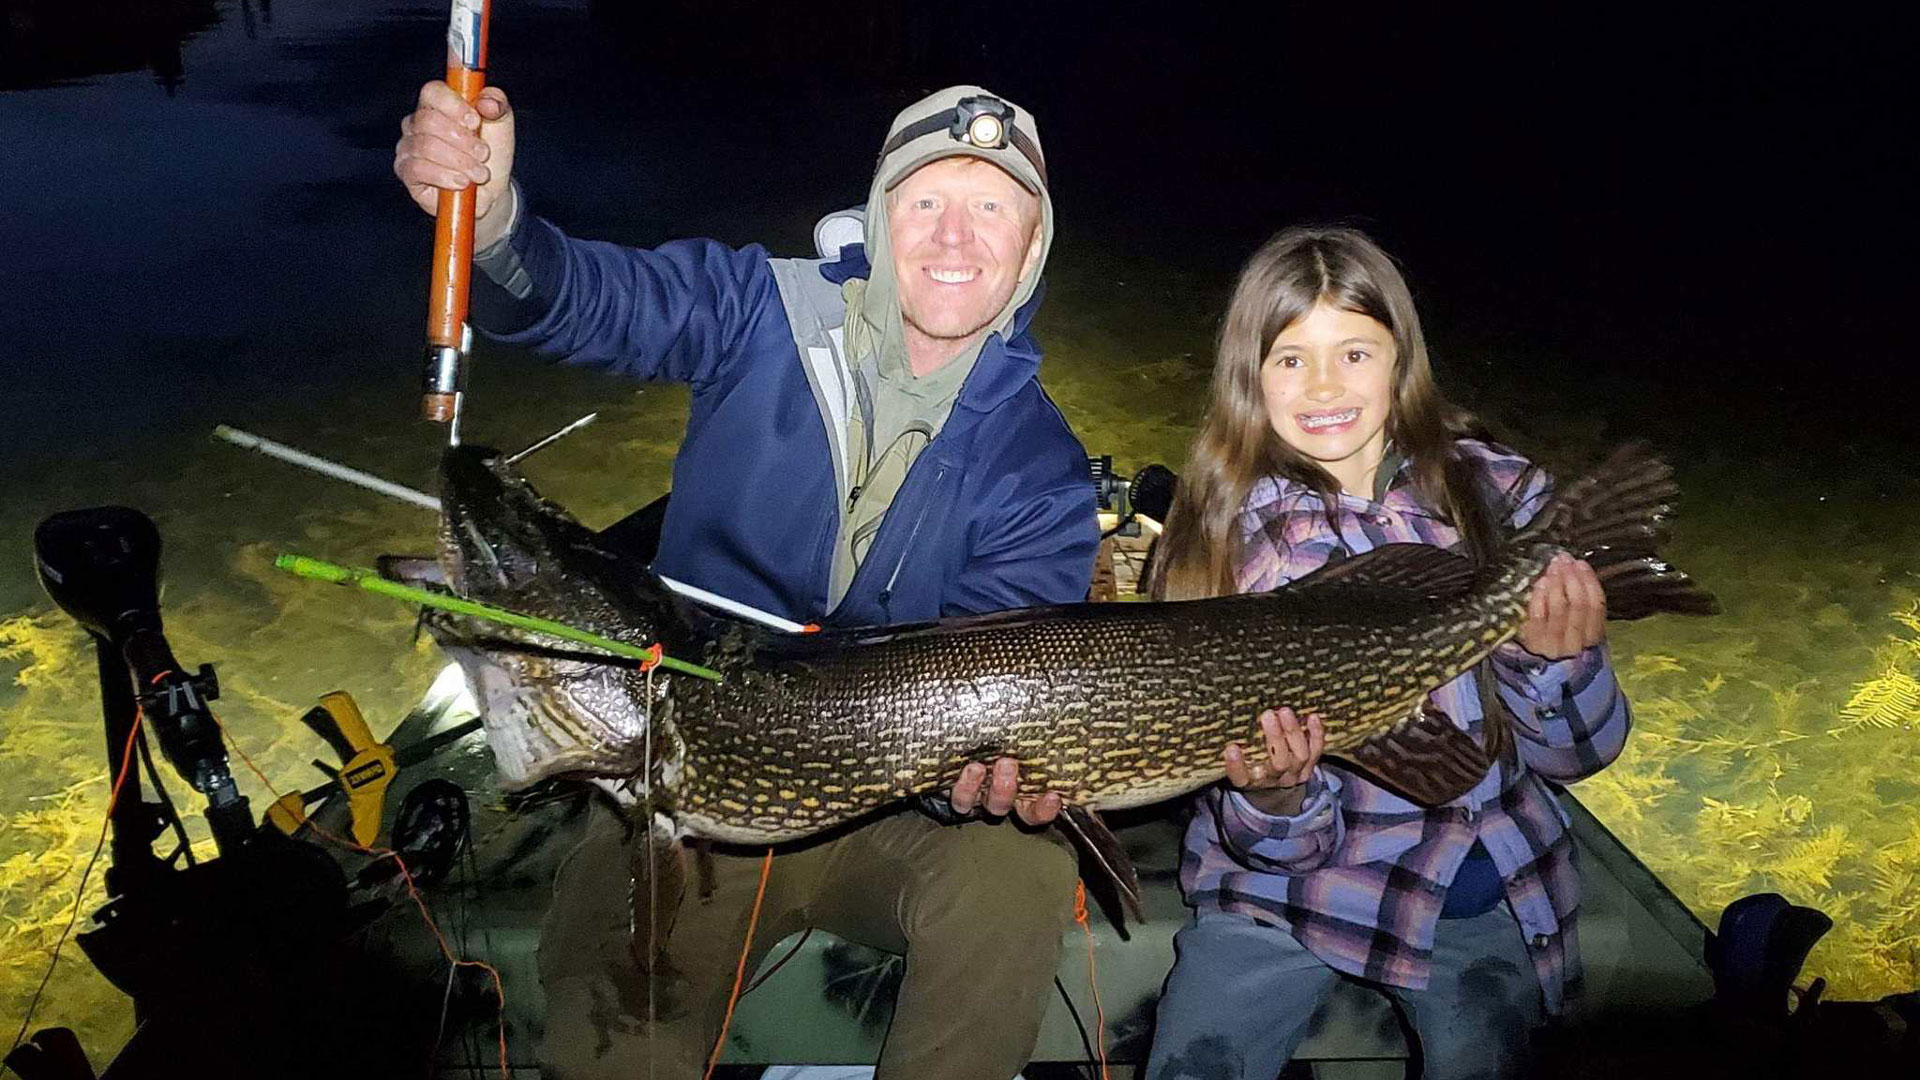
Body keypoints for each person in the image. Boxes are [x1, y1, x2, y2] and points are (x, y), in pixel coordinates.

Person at [394, 83, 1097, 1078]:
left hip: (891, 814)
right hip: (673, 812)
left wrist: (981, 786)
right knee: (618, 1044)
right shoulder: (756, 310)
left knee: (1020, 865)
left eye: (993, 208)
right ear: (880, 217)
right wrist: (498, 222)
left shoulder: (1043, 470)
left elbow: (985, 678)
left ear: (1031, 253)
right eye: (926, 198)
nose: (954, 236)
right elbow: (591, 302)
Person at [1143, 226, 1627, 1080]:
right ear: (1248, 378)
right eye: (1291, 359)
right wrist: (1278, 797)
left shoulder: (1503, 499)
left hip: (1479, 888)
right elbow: (1268, 846)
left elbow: (1580, 755)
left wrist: (1555, 664)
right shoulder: (1215, 547)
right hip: (1278, 899)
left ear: (1403, 359)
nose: (1324, 385)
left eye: (1355, 352)